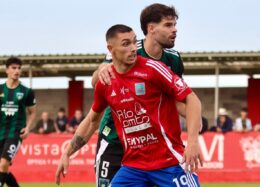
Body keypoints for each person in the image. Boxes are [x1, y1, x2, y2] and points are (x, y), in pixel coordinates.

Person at [56, 24, 202, 187]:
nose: (133, 48)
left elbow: (191, 99)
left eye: (134, 42)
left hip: (169, 162)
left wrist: (193, 141)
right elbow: (91, 121)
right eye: (126, 44)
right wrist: (67, 153)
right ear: (111, 49)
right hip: (134, 167)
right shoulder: (105, 83)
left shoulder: (154, 69)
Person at [91, 4, 188, 186]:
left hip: (149, 145)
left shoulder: (173, 59)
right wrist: (102, 68)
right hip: (114, 137)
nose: (175, 30)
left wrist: (195, 121)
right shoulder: (129, 48)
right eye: (168, 25)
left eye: (175, 25)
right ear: (151, 29)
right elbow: (96, 82)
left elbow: (178, 98)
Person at [0, 57, 36, 187]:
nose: (17, 71)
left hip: (15, 134)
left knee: (3, 163)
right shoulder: (0, 89)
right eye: (13, 68)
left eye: (19, 68)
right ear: (7, 70)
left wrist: (28, 128)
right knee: (2, 168)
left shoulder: (26, 92)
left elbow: (32, 112)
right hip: (1, 132)